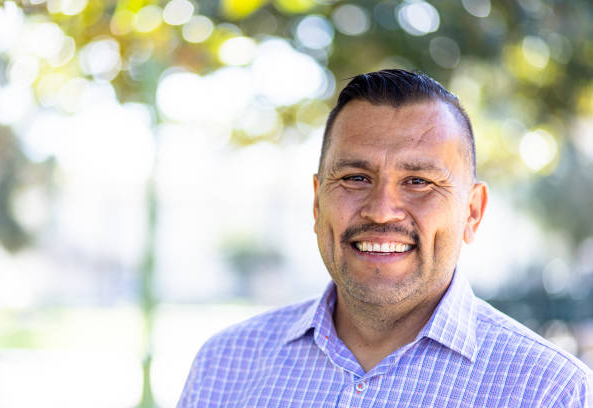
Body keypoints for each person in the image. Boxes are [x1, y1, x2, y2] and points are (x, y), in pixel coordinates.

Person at [178, 69, 592, 407]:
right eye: (356, 178)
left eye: (418, 181)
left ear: (472, 211)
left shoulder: (550, 392)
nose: (381, 209)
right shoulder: (224, 366)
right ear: (317, 201)